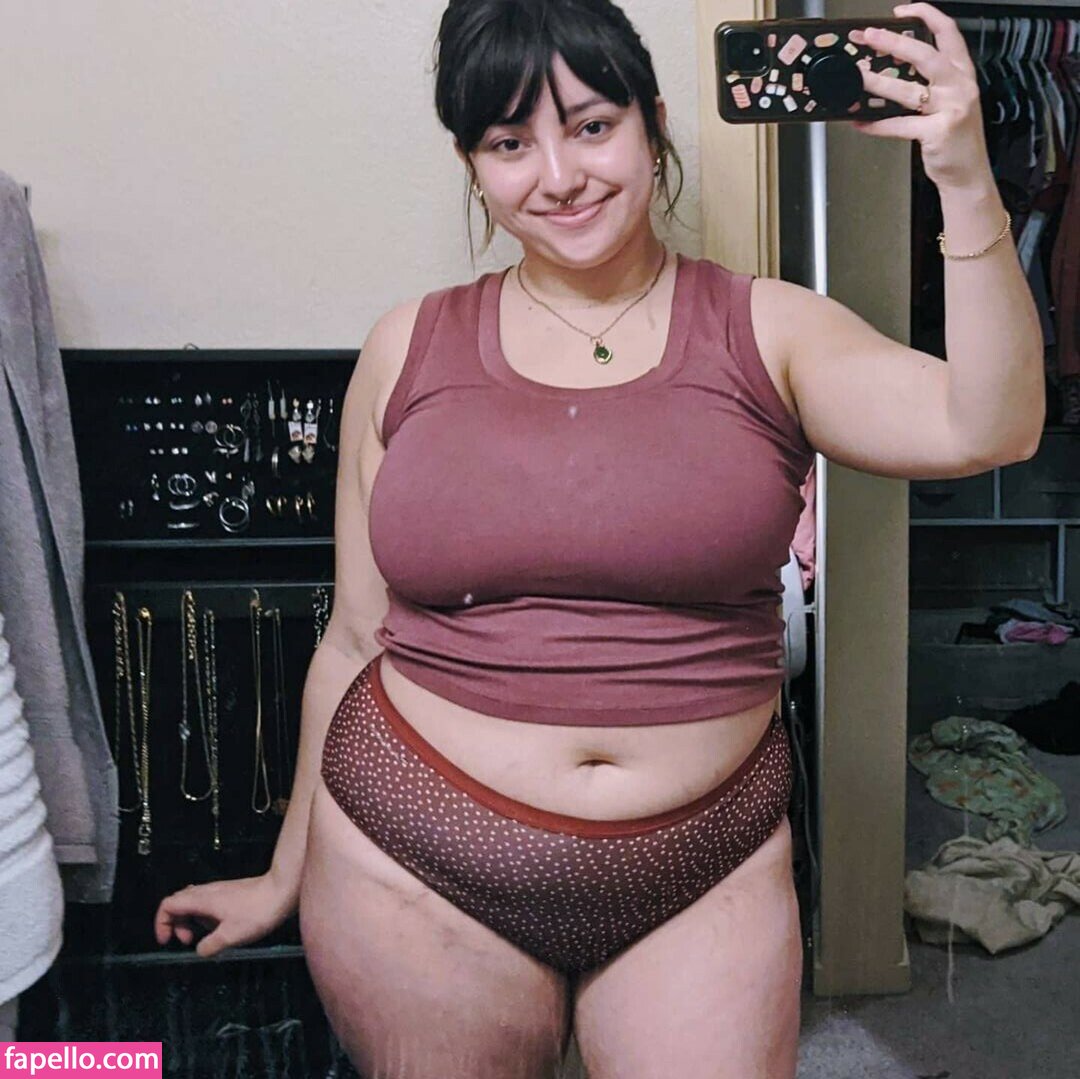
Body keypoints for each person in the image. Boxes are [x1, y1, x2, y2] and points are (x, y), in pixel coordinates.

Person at [154, 1, 1045, 1075]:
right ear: (471, 164)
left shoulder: (768, 328)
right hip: (413, 857)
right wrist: (283, 873)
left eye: (590, 126)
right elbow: (351, 638)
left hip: (701, 864)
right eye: (509, 142)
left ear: (653, 123)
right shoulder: (406, 347)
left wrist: (963, 176)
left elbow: (990, 426)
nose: (559, 177)